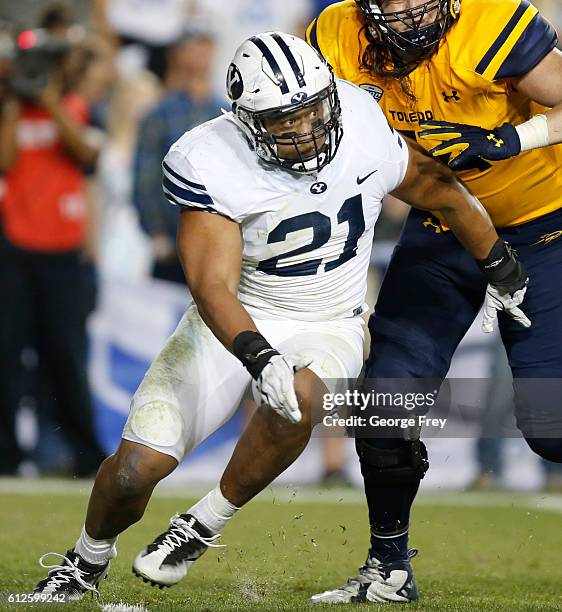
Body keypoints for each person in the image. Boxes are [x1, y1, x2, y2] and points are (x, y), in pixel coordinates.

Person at [32, 31, 526, 600]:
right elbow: (211, 284)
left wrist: (500, 263)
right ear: (245, 120)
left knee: (303, 398)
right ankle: (85, 560)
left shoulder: (361, 123)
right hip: (239, 316)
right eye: (283, 119)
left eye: (314, 110)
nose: (306, 128)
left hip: (332, 318)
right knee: (133, 472)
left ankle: (203, 522)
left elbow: (439, 189)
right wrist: (257, 352)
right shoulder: (210, 158)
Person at [304, 0, 562, 603]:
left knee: (551, 430)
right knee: (383, 403)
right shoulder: (335, 34)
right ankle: (387, 567)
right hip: (444, 227)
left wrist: (509, 138)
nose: (402, 11)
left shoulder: (490, 22)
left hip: (544, 227)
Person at [0, 26, 106, 477]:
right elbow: (3, 162)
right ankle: (6, 457)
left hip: (64, 251)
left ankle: (84, 455)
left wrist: (47, 103)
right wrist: (12, 103)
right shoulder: (10, 112)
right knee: (7, 356)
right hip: (15, 248)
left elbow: (87, 153)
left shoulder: (75, 108)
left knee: (66, 356)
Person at [133, 27, 222, 284]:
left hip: (218, 246)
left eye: (207, 44)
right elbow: (145, 176)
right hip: (171, 244)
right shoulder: (159, 113)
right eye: (195, 44)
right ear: (179, 53)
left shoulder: (226, 112)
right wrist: (155, 232)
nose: (202, 52)